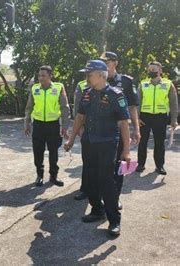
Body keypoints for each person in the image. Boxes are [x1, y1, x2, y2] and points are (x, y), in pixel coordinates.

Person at [65, 60, 131, 237]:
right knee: (91, 179)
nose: (86, 77)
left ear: (101, 75)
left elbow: (123, 123)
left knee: (106, 181)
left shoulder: (116, 94)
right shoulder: (87, 93)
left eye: (89, 74)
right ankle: (97, 210)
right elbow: (79, 117)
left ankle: (114, 220)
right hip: (89, 142)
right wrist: (71, 139)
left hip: (107, 143)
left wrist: (126, 150)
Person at [100, 51, 140, 210]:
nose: (104, 65)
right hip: (100, 131)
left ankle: (115, 198)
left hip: (118, 132)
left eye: (107, 62)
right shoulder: (96, 80)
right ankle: (102, 197)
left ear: (115, 62)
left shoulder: (126, 82)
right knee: (102, 166)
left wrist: (136, 128)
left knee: (118, 165)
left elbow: (132, 107)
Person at [24, 65, 70, 187]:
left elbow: (65, 108)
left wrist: (65, 126)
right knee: (38, 151)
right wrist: (27, 123)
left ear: (50, 76)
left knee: (53, 152)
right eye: (39, 75)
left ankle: (53, 176)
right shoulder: (35, 88)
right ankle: (39, 175)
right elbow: (29, 107)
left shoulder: (59, 88)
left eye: (43, 75)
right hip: (38, 125)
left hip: (53, 125)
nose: (41, 78)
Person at [136, 61, 178, 175]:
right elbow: (137, 103)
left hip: (160, 117)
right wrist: (137, 117)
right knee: (142, 142)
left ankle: (159, 166)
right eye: (149, 70)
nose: (151, 72)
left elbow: (174, 104)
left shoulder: (168, 84)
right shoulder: (143, 84)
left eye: (153, 70)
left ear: (160, 71)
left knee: (159, 143)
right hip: (144, 117)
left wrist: (174, 119)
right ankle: (140, 164)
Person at [72, 77, 90, 200]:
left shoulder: (109, 86)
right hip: (87, 128)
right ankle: (85, 189)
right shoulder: (82, 85)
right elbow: (77, 108)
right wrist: (79, 128)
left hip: (105, 131)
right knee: (87, 161)